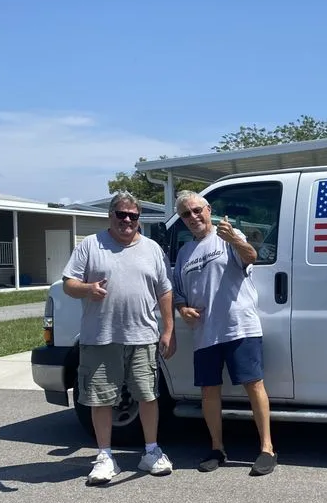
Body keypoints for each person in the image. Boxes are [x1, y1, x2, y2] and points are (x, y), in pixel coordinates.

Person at [62, 191, 177, 485]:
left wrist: (168, 329)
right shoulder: (90, 245)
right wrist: (87, 289)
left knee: (148, 396)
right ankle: (104, 456)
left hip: (142, 336)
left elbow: (164, 290)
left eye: (133, 215)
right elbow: (69, 284)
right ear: (110, 215)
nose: (127, 220)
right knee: (101, 399)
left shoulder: (152, 249)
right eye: (121, 214)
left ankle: (151, 452)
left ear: (139, 219)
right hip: (100, 337)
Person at [172, 190, 276, 476]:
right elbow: (179, 293)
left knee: (254, 385)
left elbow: (251, 256)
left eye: (197, 210)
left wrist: (234, 239)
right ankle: (217, 448)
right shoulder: (184, 253)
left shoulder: (228, 236)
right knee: (209, 391)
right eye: (185, 214)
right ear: (181, 219)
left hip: (239, 325)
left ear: (208, 210)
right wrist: (182, 309)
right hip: (206, 332)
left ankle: (267, 449)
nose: (193, 217)